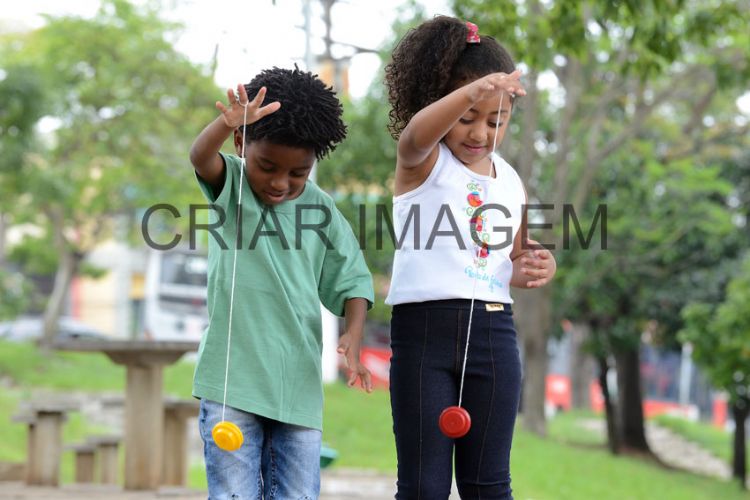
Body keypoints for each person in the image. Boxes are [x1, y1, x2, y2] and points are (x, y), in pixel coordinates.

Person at [383, 16, 557, 499]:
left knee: (489, 483)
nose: (480, 132)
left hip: (495, 336)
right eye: (466, 117)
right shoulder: (423, 162)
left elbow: (514, 258)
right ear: (444, 107)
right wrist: (475, 89)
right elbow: (416, 134)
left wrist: (538, 265)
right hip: (424, 335)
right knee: (424, 486)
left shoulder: (511, 180)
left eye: (495, 121)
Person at [189, 66, 375, 499]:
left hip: (298, 388)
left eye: (298, 173)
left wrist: (354, 334)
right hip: (232, 382)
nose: (280, 183)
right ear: (242, 145)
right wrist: (225, 122)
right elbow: (200, 157)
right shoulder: (230, 185)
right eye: (267, 166)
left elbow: (353, 279)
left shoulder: (321, 210)